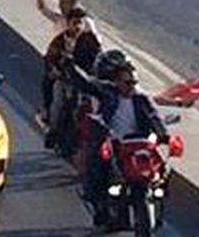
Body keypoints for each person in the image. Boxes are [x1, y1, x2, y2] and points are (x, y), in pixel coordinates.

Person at [61, 50, 167, 226]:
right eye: (127, 82)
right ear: (117, 82)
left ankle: (158, 206)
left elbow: (154, 117)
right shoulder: (107, 93)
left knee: (161, 171)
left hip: (138, 145)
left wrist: (163, 134)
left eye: (134, 82)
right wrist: (70, 67)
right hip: (114, 145)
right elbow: (85, 83)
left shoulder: (141, 99)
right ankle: (101, 207)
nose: (131, 86)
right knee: (97, 171)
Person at [40, 6, 101, 155]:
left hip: (86, 81)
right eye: (75, 22)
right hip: (65, 79)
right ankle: (53, 131)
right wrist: (55, 70)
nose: (78, 26)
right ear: (68, 24)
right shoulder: (59, 41)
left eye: (80, 22)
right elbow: (50, 59)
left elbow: (99, 58)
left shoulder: (90, 40)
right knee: (58, 101)